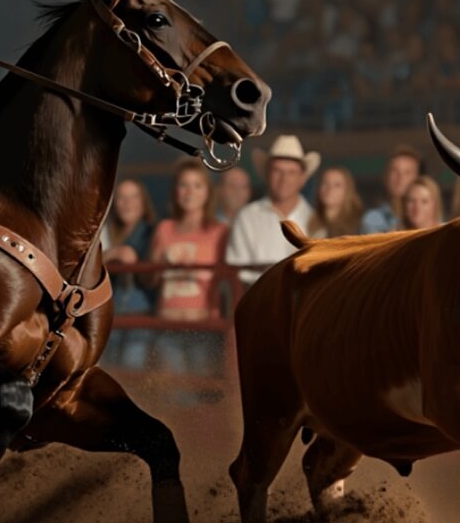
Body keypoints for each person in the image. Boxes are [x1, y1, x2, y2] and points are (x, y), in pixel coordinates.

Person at [147, 159, 229, 377]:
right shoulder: (164, 229)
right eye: (184, 185)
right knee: (173, 395)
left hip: (203, 327)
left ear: (207, 192)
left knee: (202, 393)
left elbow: (226, 282)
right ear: (175, 191)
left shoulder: (220, 231)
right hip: (167, 325)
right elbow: (151, 279)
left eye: (197, 185)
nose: (189, 192)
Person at [226, 135, 319, 284]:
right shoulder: (247, 217)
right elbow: (238, 272)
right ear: (267, 174)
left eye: (291, 172)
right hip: (257, 301)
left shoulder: (316, 220)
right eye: (277, 171)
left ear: (302, 178)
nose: (284, 179)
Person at [100, 179, 157, 369]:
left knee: (133, 369)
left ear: (143, 202)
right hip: (110, 315)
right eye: (122, 198)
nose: (128, 203)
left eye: (134, 197)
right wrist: (114, 254)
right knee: (108, 369)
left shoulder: (153, 232)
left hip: (140, 314)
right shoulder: (105, 232)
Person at [360, 145, 422, 234]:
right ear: (386, 176)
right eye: (394, 171)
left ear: (417, 178)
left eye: (407, 172)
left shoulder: (429, 218)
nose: (400, 178)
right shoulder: (372, 220)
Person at [307, 166, 364, 238]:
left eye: (337, 185)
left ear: (347, 191)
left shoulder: (360, 225)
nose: (330, 189)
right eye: (325, 183)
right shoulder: (310, 222)